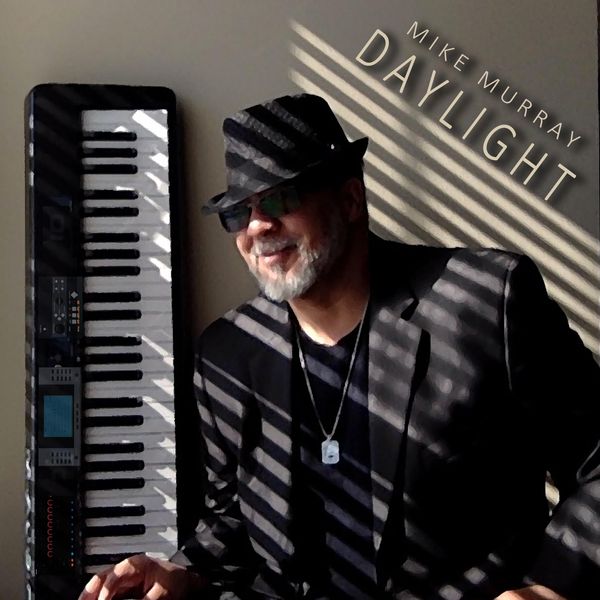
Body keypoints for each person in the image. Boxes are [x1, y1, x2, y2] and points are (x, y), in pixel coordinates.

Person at [79, 94, 600, 600]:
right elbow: (232, 521)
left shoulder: (483, 302)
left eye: (280, 198)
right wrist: (182, 572)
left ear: (350, 200)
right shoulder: (227, 354)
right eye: (239, 212)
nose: (258, 225)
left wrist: (549, 586)